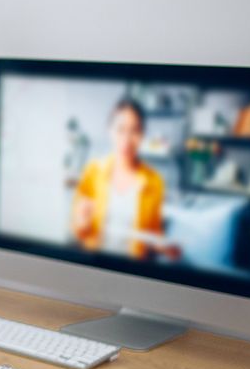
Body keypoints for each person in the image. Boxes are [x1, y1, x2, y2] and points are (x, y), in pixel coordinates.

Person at [71, 98, 177, 260]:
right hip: (94, 264)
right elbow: (78, 231)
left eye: (135, 130)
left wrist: (165, 248)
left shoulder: (155, 181)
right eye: (120, 130)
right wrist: (82, 223)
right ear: (109, 131)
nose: (127, 140)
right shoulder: (92, 171)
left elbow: (154, 233)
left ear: (143, 134)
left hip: (132, 271)